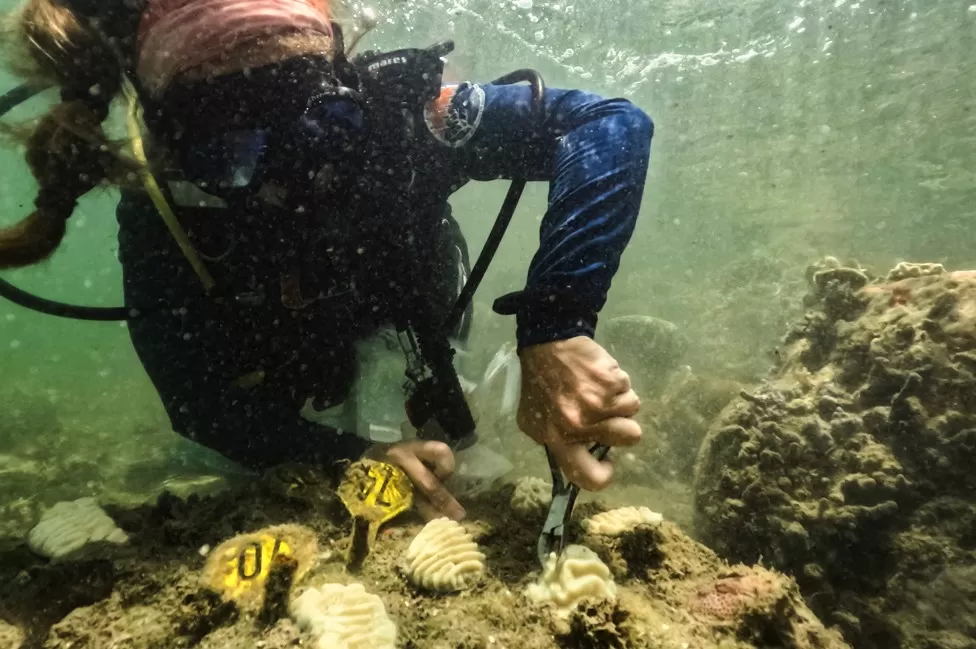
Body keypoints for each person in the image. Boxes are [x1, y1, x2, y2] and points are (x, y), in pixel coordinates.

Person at [0, 0, 653, 522]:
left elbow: (608, 124)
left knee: (439, 421)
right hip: (273, 359)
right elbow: (196, 400)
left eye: (317, 115)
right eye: (229, 144)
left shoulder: (399, 118)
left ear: (346, 76)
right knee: (244, 470)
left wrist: (557, 323)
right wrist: (351, 456)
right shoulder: (162, 204)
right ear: (169, 141)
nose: (290, 170)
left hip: (399, 301)